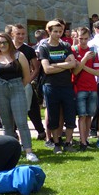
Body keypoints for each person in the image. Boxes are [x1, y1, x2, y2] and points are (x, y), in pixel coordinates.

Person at [0, 32, 38, 163]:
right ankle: (10, 151)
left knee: (21, 122)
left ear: (9, 42)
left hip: (17, 88)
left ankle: (29, 151)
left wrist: (17, 86)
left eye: (4, 42)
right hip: (0, 90)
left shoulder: (19, 55)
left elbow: (27, 76)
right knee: (6, 123)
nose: (2, 45)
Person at [38, 20, 78, 154]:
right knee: (53, 116)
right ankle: (56, 144)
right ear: (49, 31)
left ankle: (68, 143)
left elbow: (73, 64)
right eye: (55, 31)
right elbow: (47, 69)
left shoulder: (65, 45)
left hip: (66, 86)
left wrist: (55, 65)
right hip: (51, 86)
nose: (58, 34)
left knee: (70, 115)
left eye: (60, 31)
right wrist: (64, 64)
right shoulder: (44, 48)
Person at [11, 24, 45, 140]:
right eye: (18, 34)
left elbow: (36, 68)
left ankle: (41, 131)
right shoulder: (7, 48)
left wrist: (27, 81)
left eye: (23, 34)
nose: (21, 36)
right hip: (9, 83)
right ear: (12, 34)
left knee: (32, 108)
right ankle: (13, 133)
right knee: (12, 109)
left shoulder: (29, 50)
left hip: (25, 84)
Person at [70, 26, 99, 151]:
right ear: (77, 37)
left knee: (89, 116)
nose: (83, 41)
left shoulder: (93, 52)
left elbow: (97, 72)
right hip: (79, 88)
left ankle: (85, 140)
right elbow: (75, 71)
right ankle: (82, 142)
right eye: (81, 38)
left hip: (92, 87)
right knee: (82, 116)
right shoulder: (73, 50)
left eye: (86, 39)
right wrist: (84, 59)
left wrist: (83, 65)